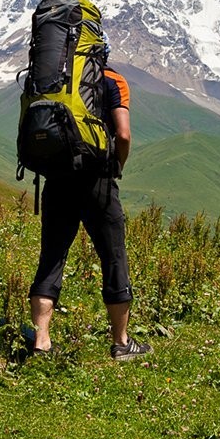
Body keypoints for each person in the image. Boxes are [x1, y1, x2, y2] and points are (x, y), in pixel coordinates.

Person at [27, 32, 152, 361]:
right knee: (113, 258)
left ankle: (41, 341)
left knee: (52, 257)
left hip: (57, 177)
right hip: (97, 179)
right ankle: (122, 342)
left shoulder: (54, 82)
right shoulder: (112, 81)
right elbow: (122, 134)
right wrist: (117, 166)